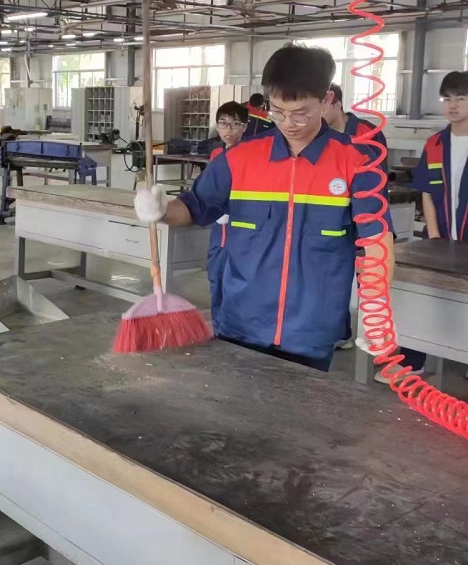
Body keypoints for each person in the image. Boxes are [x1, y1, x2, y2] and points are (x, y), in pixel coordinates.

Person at [135, 44, 394, 372]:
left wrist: (377, 307)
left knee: (301, 402)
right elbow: (194, 208)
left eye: (301, 113)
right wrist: (160, 210)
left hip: (312, 327)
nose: (289, 123)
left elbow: (376, 240)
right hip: (242, 318)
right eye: (278, 111)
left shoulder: (357, 161)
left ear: (326, 100)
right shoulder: (240, 158)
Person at [392, 70, 468, 381]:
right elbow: (426, 192)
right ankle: (413, 361)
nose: (453, 105)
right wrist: (435, 237)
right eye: (447, 99)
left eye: (460, 99)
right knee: (422, 297)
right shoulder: (436, 144)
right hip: (438, 238)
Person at [322, 83, 388, 350]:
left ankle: (373, 337)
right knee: (333, 278)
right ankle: (341, 333)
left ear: (335, 102)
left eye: (321, 105)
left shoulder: (367, 132)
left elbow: (378, 180)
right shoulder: (320, 134)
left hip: (364, 216)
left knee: (367, 278)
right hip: (333, 215)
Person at [206, 101, 248, 329]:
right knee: (217, 275)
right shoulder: (216, 154)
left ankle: (236, 328)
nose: (228, 130)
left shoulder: (251, 154)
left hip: (242, 228)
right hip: (219, 229)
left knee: (240, 279)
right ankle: (219, 326)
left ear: (245, 127)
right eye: (223, 123)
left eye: (235, 124)